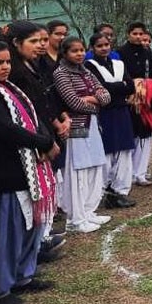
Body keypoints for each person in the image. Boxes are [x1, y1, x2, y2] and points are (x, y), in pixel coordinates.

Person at [0, 40, 58, 304]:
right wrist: (43, 143)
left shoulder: (8, 88)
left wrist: (45, 136)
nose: (5, 67)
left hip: (24, 172)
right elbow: (4, 129)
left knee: (30, 228)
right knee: (6, 235)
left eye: (7, 61)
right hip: (1, 173)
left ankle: (22, 276)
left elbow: (33, 116)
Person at [2, 22, 70, 261]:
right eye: (34, 41)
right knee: (34, 193)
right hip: (33, 138)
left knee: (45, 186)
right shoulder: (16, 73)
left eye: (42, 40)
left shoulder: (34, 66)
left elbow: (46, 99)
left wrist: (60, 118)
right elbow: (28, 111)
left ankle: (40, 239)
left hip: (44, 131)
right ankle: (35, 245)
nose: (41, 45)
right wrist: (46, 135)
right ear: (16, 43)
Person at [53, 37, 112, 233]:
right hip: (76, 125)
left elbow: (106, 95)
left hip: (93, 125)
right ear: (65, 53)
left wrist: (92, 99)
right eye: (74, 51)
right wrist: (95, 103)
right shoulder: (61, 73)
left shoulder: (86, 71)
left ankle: (88, 211)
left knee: (95, 166)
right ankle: (76, 218)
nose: (79, 54)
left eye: (81, 50)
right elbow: (73, 102)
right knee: (79, 170)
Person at [85, 33, 137, 209]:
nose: (104, 48)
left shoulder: (119, 63)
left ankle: (121, 190)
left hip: (121, 111)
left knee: (124, 151)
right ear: (92, 48)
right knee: (106, 151)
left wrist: (116, 88)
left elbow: (130, 86)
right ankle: (103, 191)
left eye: (106, 44)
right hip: (105, 113)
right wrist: (119, 87)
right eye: (99, 46)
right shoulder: (89, 65)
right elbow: (100, 88)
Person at [117, 22, 152, 187]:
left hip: (145, 100)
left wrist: (147, 88)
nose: (138, 37)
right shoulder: (120, 52)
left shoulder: (147, 52)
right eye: (135, 34)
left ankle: (140, 173)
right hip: (128, 99)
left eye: (141, 34)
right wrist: (133, 86)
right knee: (131, 135)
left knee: (145, 135)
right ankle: (128, 173)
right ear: (128, 34)